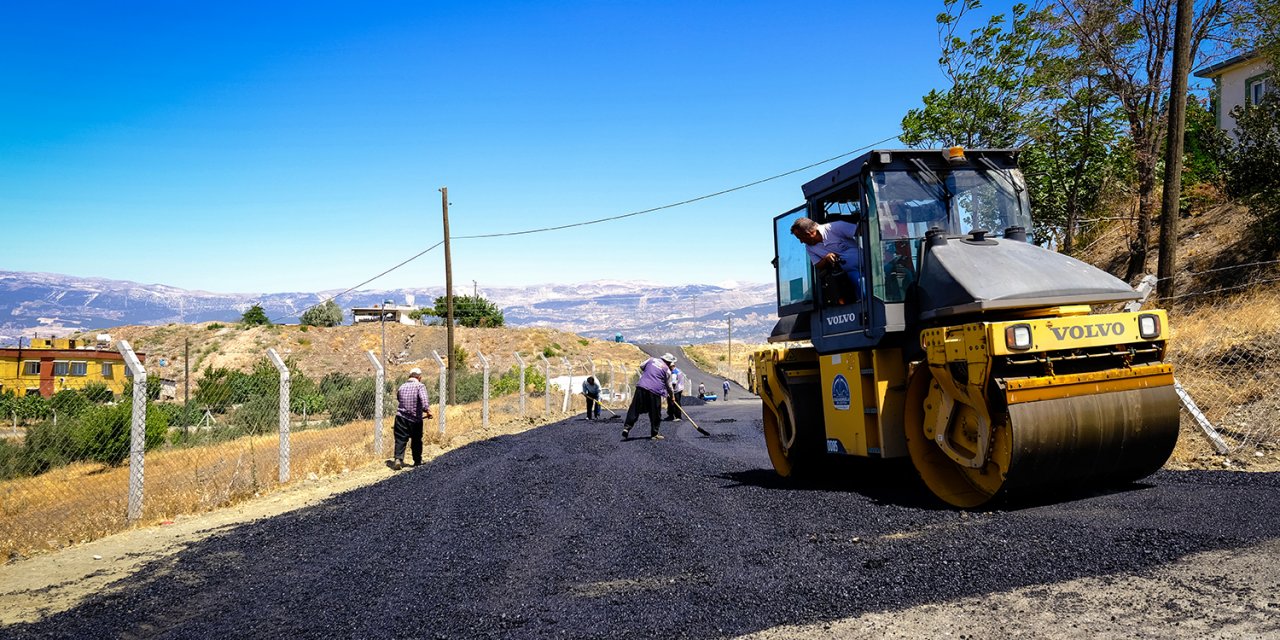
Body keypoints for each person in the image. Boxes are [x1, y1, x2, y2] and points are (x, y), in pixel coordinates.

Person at [790, 216, 862, 304]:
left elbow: (863, 231)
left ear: (810, 233)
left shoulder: (835, 227)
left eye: (801, 238)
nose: (801, 242)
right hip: (850, 274)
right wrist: (826, 258)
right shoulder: (809, 248)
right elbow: (817, 264)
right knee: (860, 286)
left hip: (870, 265)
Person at [623, 353, 676, 440]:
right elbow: (669, 386)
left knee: (634, 408)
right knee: (655, 412)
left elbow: (641, 366)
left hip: (642, 387)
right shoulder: (667, 370)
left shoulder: (651, 360)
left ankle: (627, 427)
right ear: (669, 362)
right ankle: (654, 433)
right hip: (655, 391)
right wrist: (672, 396)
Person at [393, 367, 434, 470]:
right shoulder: (420, 386)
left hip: (400, 417)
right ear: (419, 377)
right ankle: (417, 461)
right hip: (415, 419)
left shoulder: (402, 386)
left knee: (400, 439)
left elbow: (399, 399)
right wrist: (428, 411)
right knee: (416, 440)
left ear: (410, 377)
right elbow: (424, 400)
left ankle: (398, 459)